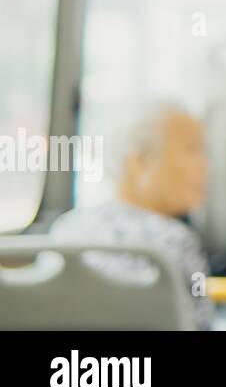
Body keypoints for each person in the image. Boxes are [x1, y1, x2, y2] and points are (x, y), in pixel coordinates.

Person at [51, 103, 214, 330]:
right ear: (141, 163)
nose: (205, 166)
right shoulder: (176, 242)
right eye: (191, 150)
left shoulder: (66, 227)